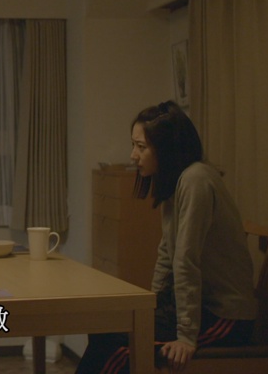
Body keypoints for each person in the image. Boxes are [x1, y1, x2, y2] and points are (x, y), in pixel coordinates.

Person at [76, 101, 257, 373]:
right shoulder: (175, 182)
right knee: (107, 328)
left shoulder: (195, 180)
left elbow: (185, 261)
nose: (133, 155)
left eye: (141, 147)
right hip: (198, 309)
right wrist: (151, 304)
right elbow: (166, 254)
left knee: (121, 349)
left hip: (224, 317)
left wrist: (186, 336)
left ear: (166, 148)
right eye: (133, 145)